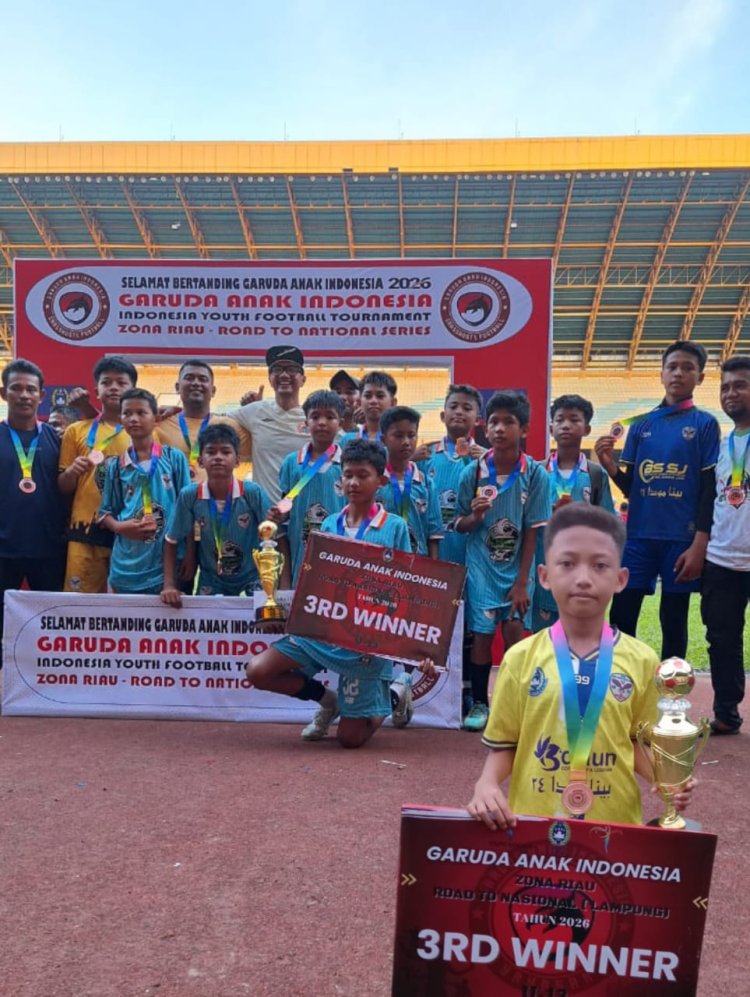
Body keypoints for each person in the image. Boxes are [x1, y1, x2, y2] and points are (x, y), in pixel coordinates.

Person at [465, 503, 695, 829]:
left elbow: (635, 741)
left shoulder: (643, 661)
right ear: (544, 576)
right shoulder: (520, 659)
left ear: (620, 579)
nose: (583, 578)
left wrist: (666, 776)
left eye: (600, 566)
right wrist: (486, 784)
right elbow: (506, 745)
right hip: (534, 829)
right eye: (568, 564)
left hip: (615, 832)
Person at [246, 439, 413, 748]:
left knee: (350, 739)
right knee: (259, 671)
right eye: (348, 475)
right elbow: (318, 580)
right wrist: (290, 614)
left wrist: (390, 642)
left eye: (362, 475)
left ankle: (395, 692)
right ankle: (328, 701)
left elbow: (406, 587)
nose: (353, 482)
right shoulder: (328, 523)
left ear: (381, 481)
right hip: (322, 631)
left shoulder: (395, 527)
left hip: (364, 640)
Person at [595, 341, 720, 659]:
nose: (678, 373)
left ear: (700, 378)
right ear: (661, 374)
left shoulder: (705, 424)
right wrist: (609, 465)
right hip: (638, 538)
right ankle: (622, 682)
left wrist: (699, 544)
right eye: (672, 367)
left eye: (688, 368)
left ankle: (671, 686)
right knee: (621, 615)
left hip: (681, 540)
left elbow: (709, 489)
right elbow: (633, 487)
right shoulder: (641, 425)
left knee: (673, 618)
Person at [455, 390, 551, 732]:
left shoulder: (535, 474)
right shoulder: (472, 473)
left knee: (514, 633)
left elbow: (533, 531)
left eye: (508, 422)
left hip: (517, 570)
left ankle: (515, 703)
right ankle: (480, 703)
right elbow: (460, 524)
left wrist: (523, 581)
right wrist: (476, 516)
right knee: (481, 637)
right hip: (481, 567)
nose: (499, 428)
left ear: (524, 429)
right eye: (493, 422)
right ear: (484, 427)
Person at [0, 359, 67, 667]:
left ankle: (46, 685)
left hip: (49, 549)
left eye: (31, 389)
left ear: (42, 395)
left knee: (48, 627)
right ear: (4, 394)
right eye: (17, 388)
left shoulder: (57, 438)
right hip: (3, 550)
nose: (24, 395)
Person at [532, 393, 615, 632]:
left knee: (579, 632)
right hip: (544, 563)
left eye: (574, 419)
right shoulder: (537, 471)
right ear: (551, 428)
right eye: (560, 420)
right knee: (544, 635)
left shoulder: (595, 474)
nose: (566, 425)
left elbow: (607, 523)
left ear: (587, 429)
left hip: (582, 567)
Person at [161, 423, 271, 604]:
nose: (218, 457)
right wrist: (169, 585)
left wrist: (281, 584)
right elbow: (171, 540)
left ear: (237, 461)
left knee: (261, 616)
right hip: (212, 578)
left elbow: (276, 535)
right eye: (211, 452)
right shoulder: (189, 495)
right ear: (200, 461)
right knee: (205, 620)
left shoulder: (252, 492)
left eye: (226, 452)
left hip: (252, 576)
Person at [98, 388, 190, 594]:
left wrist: (190, 554)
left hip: (166, 563)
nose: (133, 419)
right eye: (127, 413)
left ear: (155, 418)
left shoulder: (173, 458)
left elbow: (188, 509)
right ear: (121, 420)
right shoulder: (115, 466)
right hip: (126, 564)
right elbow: (104, 513)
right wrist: (121, 527)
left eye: (141, 413)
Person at [57, 356, 137, 593]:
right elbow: (63, 486)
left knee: (128, 604)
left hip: (129, 529)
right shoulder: (76, 431)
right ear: (96, 390)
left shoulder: (146, 433)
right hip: (84, 531)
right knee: (79, 604)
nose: (113, 387)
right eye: (106, 382)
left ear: (133, 389)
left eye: (121, 382)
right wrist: (72, 472)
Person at [701, 355, 750, 735]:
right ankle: (726, 711)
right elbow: (708, 501)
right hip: (720, 558)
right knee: (721, 638)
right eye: (726, 387)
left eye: (740, 385)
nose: (731, 393)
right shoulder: (718, 446)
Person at [271, 389, 346, 588]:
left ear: (340, 422)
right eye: (315, 416)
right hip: (300, 550)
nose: (322, 422)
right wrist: (278, 514)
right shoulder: (291, 463)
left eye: (330, 417)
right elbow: (286, 504)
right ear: (306, 422)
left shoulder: (348, 464)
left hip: (340, 552)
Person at [230, 346, 310, 504]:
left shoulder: (314, 418)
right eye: (277, 369)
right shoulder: (254, 411)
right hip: (265, 512)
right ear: (269, 378)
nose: (284, 375)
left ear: (303, 379)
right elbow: (210, 421)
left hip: (304, 511)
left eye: (292, 369)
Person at [154, 359, 250, 481]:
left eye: (203, 379)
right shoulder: (159, 424)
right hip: (173, 493)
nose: (196, 383)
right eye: (189, 378)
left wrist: (256, 409)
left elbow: (263, 446)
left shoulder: (230, 426)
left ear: (213, 391)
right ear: (177, 387)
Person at [378, 406, 443, 558]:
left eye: (411, 435)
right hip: (380, 563)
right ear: (383, 440)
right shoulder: (375, 481)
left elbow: (433, 535)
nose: (406, 442)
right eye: (398, 436)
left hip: (417, 564)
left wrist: (432, 569)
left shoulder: (426, 484)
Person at [341, 370, 397, 444]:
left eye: (380, 396)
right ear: (360, 402)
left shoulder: (398, 440)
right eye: (368, 396)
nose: (373, 401)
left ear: (393, 403)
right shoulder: (347, 440)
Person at [329, 370, 361, 434]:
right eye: (338, 393)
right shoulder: (322, 432)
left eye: (349, 392)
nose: (342, 397)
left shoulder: (367, 432)